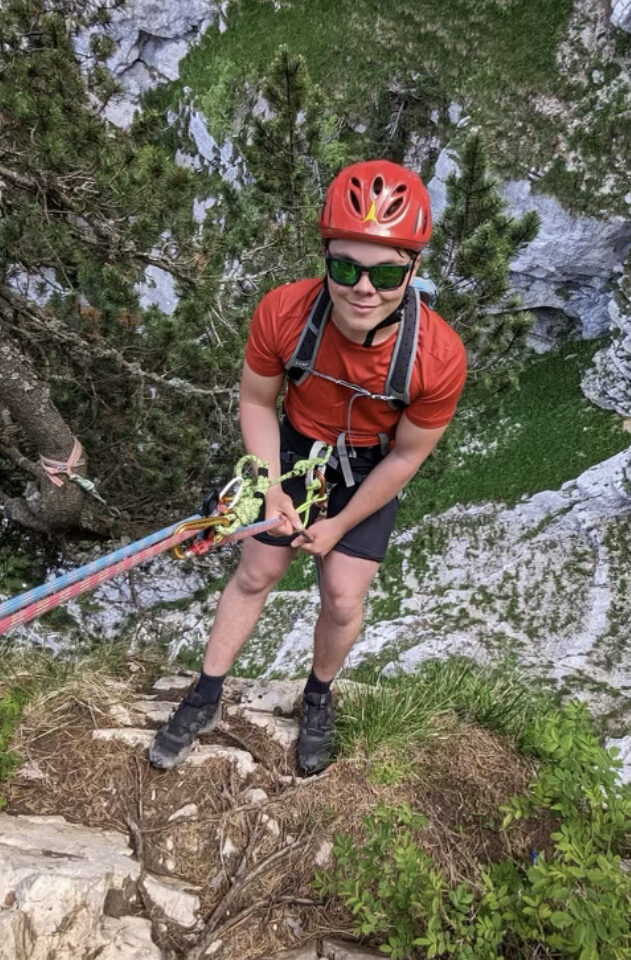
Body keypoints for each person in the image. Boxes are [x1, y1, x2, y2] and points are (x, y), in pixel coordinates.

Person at [149, 159, 467, 775]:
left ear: (414, 270)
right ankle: (206, 693)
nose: (363, 289)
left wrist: (342, 523)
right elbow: (256, 402)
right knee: (257, 570)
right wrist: (270, 488)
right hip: (296, 446)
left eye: (387, 273)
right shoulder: (284, 314)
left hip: (369, 465)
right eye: (344, 267)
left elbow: (407, 454)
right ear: (324, 257)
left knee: (343, 595)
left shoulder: (437, 357)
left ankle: (317, 695)